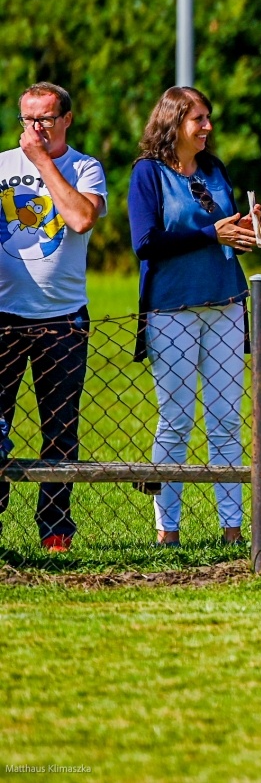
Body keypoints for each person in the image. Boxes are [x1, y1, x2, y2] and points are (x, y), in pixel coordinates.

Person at [129, 87, 261, 547]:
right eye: (198, 119)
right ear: (173, 122)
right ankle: (168, 531)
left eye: (208, 118)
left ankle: (232, 529)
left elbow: (222, 231)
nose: (207, 127)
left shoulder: (214, 169)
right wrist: (213, 233)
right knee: (177, 418)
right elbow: (146, 242)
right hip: (172, 309)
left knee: (227, 419)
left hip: (226, 303)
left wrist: (243, 229)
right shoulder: (148, 173)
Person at [0, 83, 106, 553]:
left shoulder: (85, 168)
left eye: (44, 119)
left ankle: (55, 530)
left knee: (60, 427)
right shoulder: (1, 165)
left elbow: (82, 219)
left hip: (63, 318)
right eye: (27, 120)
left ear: (66, 119)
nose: (34, 129)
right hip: (4, 315)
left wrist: (43, 162)